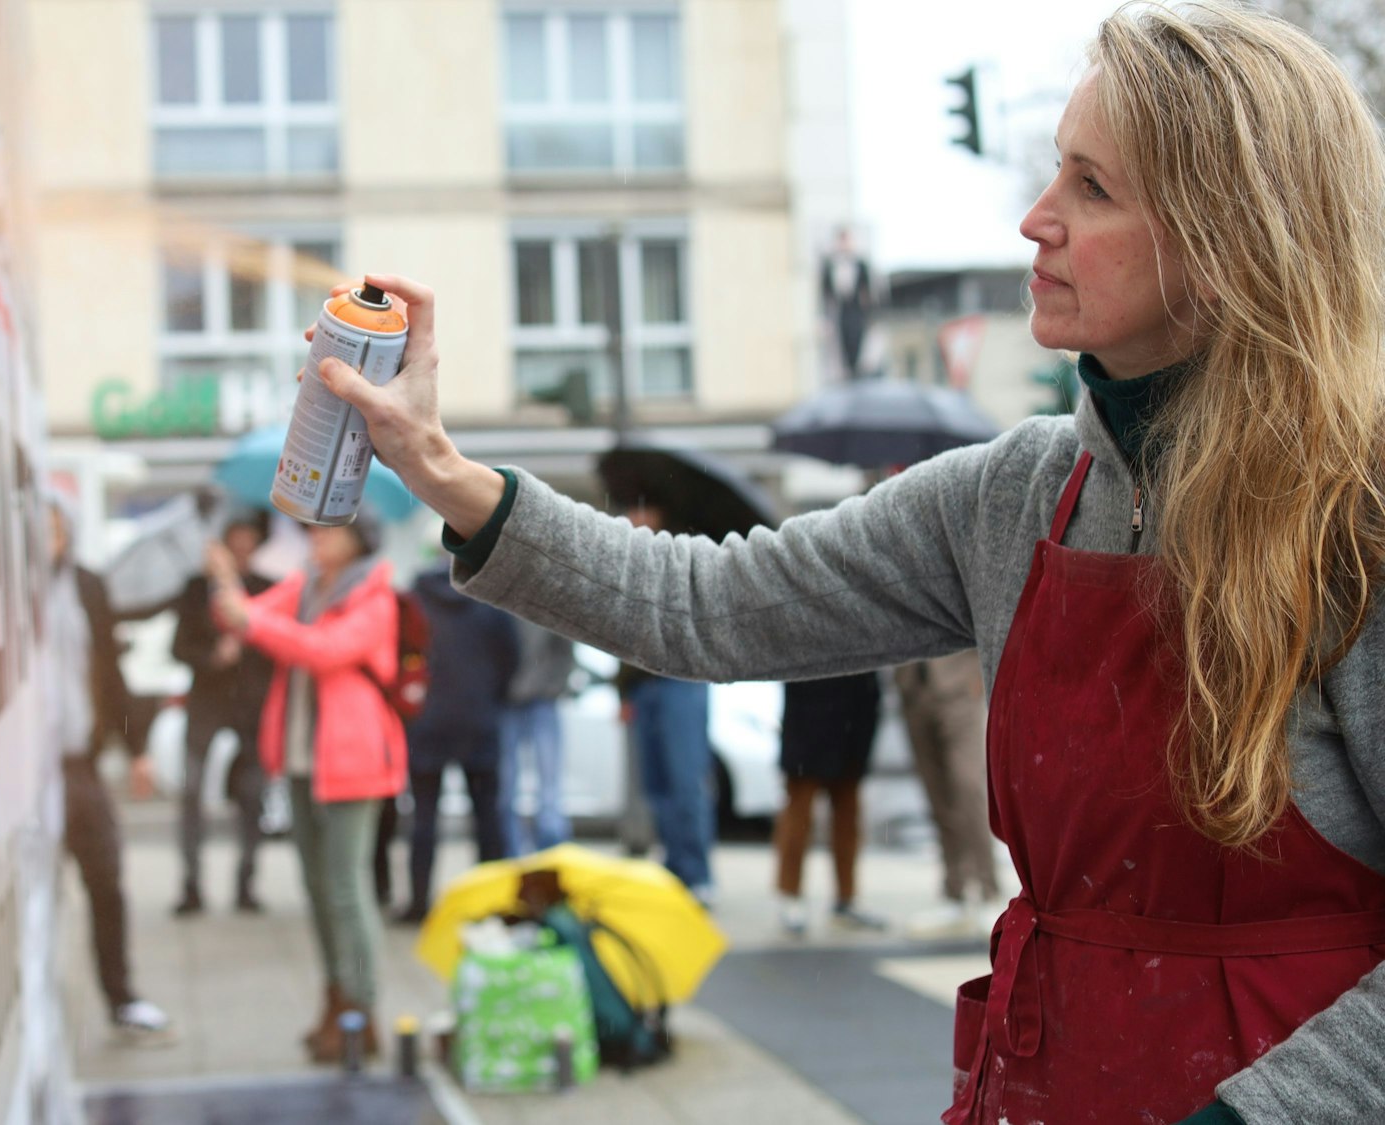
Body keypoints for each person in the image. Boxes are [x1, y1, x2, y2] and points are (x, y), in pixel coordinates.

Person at [297, 8, 1385, 1119]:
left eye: (1090, 188)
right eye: (1051, 171)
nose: (1033, 219)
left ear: (1229, 239)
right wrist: (437, 468)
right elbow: (707, 605)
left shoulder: (1360, 516)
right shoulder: (1008, 496)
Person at [207, 511, 407, 1065]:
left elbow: (321, 651)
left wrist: (249, 619)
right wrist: (226, 580)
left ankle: (362, 1011)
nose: (314, 538)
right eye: (313, 530)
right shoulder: (304, 587)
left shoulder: (374, 597)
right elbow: (239, 619)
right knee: (319, 892)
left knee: (346, 888)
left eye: (327, 530)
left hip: (353, 761)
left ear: (357, 540)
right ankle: (336, 999)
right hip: (300, 761)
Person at [44, 498, 175, 1046]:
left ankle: (120, 997)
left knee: (106, 882)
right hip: (27, 771)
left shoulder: (86, 587)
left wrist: (135, 747)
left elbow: (109, 669)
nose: (49, 538)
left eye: (56, 528)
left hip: (80, 764)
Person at [396, 562, 520, 925]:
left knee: (423, 819)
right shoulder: (490, 594)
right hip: (479, 720)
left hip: (426, 723)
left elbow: (401, 653)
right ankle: (493, 903)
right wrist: (488, 697)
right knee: (486, 818)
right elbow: (511, 659)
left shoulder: (416, 597)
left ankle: (419, 903)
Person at [168, 510, 276, 917]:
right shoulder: (197, 590)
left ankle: (247, 883)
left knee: (253, 796)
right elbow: (178, 647)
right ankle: (191, 884)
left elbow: (278, 643)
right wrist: (213, 657)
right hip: (208, 703)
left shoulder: (266, 589)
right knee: (191, 790)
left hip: (252, 707)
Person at [618, 502, 716, 905]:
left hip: (682, 681)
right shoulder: (628, 564)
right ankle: (675, 864)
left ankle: (697, 874)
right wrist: (622, 691)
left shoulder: (684, 556)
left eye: (639, 512)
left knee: (685, 779)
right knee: (657, 783)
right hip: (644, 685)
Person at [773, 672, 888, 936]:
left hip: (856, 699)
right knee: (799, 808)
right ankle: (790, 895)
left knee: (849, 809)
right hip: (809, 695)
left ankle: (846, 899)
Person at [895, 650, 1001, 933]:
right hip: (913, 687)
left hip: (960, 686)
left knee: (969, 788)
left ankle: (988, 889)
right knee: (937, 796)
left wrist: (983, 675)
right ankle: (955, 891)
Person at [501, 618, 577, 854]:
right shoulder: (496, 596)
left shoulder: (545, 599)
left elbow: (565, 651)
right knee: (506, 783)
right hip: (506, 702)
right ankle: (510, 849)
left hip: (543, 700)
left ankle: (552, 849)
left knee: (549, 782)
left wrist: (555, 686)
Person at [820, 225, 874, 381]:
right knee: (840, 348)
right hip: (839, 313)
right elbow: (826, 294)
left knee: (856, 344)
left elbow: (867, 293)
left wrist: (868, 314)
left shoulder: (860, 265)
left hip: (856, 312)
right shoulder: (830, 266)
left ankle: (855, 371)